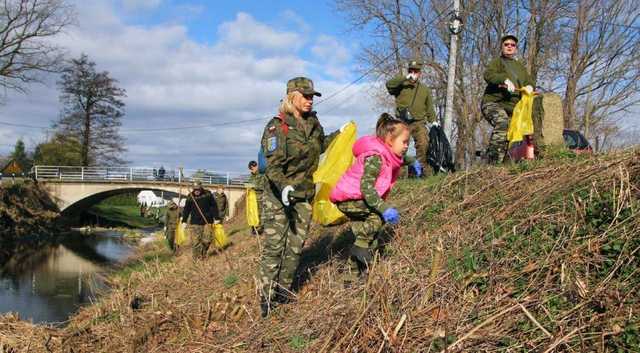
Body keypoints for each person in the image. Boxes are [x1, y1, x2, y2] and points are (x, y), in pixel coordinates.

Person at [258, 76, 345, 317]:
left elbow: (321, 146)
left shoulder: (313, 123)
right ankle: (265, 299)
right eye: (305, 96)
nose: (309, 101)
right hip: (278, 194)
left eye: (312, 97)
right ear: (292, 96)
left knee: (295, 247)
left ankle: (283, 292)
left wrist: (341, 133)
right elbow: (273, 166)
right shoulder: (277, 126)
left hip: (304, 194)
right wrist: (284, 186)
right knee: (275, 247)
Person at [331, 113, 420, 283]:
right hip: (348, 198)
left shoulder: (387, 153)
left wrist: (411, 161)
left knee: (367, 239)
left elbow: (398, 159)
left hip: (356, 198)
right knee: (377, 217)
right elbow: (367, 189)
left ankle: (350, 277)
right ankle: (360, 248)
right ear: (389, 140)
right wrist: (384, 209)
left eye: (408, 143)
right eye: (404, 142)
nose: (406, 146)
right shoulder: (376, 158)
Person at [482, 34, 535, 164]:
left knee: (511, 135)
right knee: (502, 122)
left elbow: (530, 81)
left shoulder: (520, 67)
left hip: (513, 108)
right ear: (502, 47)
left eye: (512, 45)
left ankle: (503, 165)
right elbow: (488, 75)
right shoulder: (497, 62)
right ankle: (493, 161)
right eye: (506, 45)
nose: (509, 47)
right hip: (493, 103)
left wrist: (529, 86)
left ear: (516, 48)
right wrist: (503, 79)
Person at [386, 60, 437, 176]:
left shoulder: (425, 89)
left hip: (419, 122)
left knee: (423, 144)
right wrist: (404, 78)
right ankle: (398, 173)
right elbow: (389, 85)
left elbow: (429, 107)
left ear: (420, 73)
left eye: (416, 71)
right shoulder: (401, 85)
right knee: (399, 147)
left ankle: (420, 172)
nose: (413, 73)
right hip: (402, 122)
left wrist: (433, 121)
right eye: (411, 71)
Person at [181, 180, 219, 260]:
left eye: (198, 189)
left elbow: (214, 206)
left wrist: (216, 217)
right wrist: (184, 221)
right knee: (195, 242)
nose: (196, 191)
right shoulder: (190, 196)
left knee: (208, 240)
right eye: (195, 189)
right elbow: (186, 209)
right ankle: (196, 259)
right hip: (195, 222)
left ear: (201, 188)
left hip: (207, 221)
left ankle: (203, 252)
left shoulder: (208, 194)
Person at [246, 160, 267, 234]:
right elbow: (248, 183)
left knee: (259, 213)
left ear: (256, 166)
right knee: (252, 212)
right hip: (252, 198)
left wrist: (253, 186)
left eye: (253, 167)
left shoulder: (261, 175)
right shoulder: (251, 176)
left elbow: (262, 186)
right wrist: (247, 185)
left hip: (259, 197)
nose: (253, 169)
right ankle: (254, 227)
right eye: (251, 168)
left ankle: (259, 229)